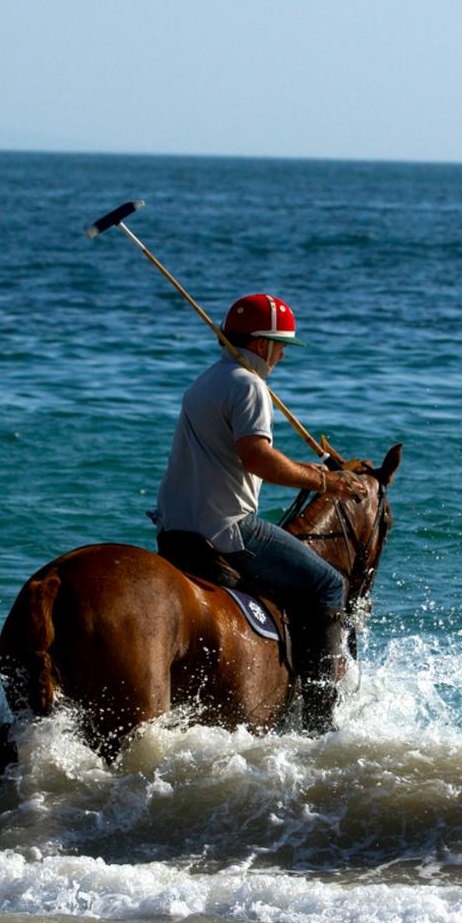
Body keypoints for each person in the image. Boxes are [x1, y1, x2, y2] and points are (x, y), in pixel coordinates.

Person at [152, 293, 363, 729]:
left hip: (174, 528)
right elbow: (258, 458)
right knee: (328, 583)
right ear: (263, 344)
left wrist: (311, 470)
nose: (283, 355)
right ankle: (320, 720)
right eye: (281, 345)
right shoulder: (249, 385)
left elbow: (243, 455)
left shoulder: (205, 382)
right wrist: (327, 483)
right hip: (224, 529)